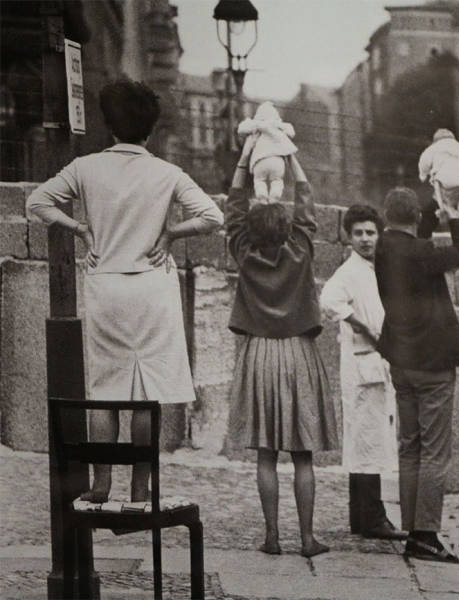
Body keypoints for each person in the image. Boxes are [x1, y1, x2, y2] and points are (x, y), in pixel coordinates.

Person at [27, 79, 224, 503]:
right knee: (145, 394)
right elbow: (212, 216)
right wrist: (171, 233)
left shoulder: (86, 168)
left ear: (109, 125)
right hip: (152, 287)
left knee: (106, 388)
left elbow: (37, 203)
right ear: (149, 129)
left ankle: (101, 483)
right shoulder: (168, 173)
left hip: (106, 285)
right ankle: (140, 485)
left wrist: (80, 229)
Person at [225, 143, 338, 558]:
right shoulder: (302, 250)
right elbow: (307, 205)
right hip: (298, 354)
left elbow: (234, 208)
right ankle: (308, 539)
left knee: (266, 456)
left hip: (258, 355)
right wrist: (291, 156)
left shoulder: (243, 252)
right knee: (303, 456)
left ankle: (272, 537)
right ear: (288, 228)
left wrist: (245, 157)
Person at [374, 188, 459, 563]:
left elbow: (419, 231)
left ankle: (412, 529)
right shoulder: (422, 254)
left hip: (401, 360)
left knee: (410, 447)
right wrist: (456, 216)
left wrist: (436, 202)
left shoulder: (384, 247)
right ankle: (426, 535)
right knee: (434, 452)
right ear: (414, 217)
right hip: (433, 363)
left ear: (386, 216)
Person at [320, 205, 407, 541]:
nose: (365, 239)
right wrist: (362, 325)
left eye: (371, 232)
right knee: (367, 439)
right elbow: (328, 302)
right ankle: (373, 516)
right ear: (348, 236)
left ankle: (361, 516)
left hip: (376, 362)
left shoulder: (377, 268)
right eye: (358, 233)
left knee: (368, 440)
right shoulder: (349, 272)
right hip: (362, 363)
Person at [237, 101, 297, 203]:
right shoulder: (278, 125)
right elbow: (291, 133)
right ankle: (275, 194)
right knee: (277, 180)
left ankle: (261, 195)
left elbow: (241, 129)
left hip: (259, 160)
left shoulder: (255, 125)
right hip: (277, 160)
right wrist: (279, 125)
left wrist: (255, 124)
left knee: (259, 180)